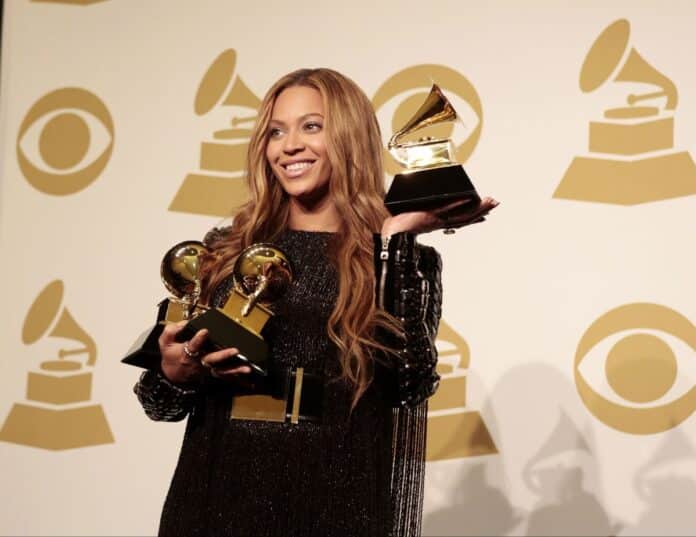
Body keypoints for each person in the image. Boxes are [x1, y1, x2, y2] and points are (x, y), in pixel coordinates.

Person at [133, 68, 498, 537]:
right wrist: (174, 373)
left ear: (349, 137)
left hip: (336, 491)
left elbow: (410, 383)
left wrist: (393, 239)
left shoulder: (396, 257)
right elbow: (157, 403)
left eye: (311, 126)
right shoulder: (225, 250)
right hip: (217, 487)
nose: (289, 146)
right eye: (276, 131)